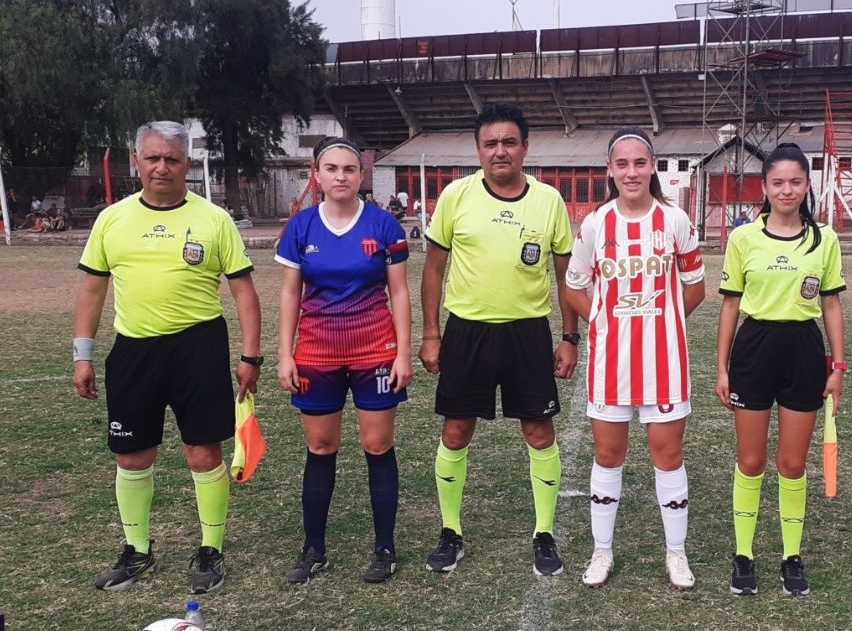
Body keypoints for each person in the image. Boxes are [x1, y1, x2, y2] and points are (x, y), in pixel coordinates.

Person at [73, 120, 263, 594]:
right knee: (132, 454)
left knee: (203, 452)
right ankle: (137, 552)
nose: (162, 167)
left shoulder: (214, 219)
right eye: (153, 158)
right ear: (136, 161)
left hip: (198, 347)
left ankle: (211, 550)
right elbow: (93, 289)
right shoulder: (112, 219)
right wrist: (82, 354)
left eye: (172, 159)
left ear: (186, 163)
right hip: (133, 350)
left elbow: (243, 291)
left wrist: (251, 356)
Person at [419, 103, 578, 576]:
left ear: (525, 147)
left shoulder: (549, 201)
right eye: (490, 143)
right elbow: (434, 269)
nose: (500, 151)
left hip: (527, 332)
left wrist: (570, 337)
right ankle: (450, 530)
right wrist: (431, 333)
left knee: (539, 431)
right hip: (467, 331)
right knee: (455, 430)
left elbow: (566, 276)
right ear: (478, 150)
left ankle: (544, 533)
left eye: (509, 142)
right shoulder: (456, 196)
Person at [564, 126, 705, 590]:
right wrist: (604, 321)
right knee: (608, 455)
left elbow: (695, 288)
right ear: (609, 169)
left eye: (639, 163)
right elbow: (574, 287)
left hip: (665, 363)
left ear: (652, 167)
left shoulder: (675, 221)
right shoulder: (594, 224)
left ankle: (676, 553)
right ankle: (602, 550)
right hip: (611, 363)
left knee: (669, 456)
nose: (631, 172)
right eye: (622, 163)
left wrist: (663, 321)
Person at [276, 137, 412, 585]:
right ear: (316, 174)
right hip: (317, 353)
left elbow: (399, 293)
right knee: (320, 448)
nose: (340, 176)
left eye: (349, 169)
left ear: (361, 175)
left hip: (375, 350)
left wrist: (403, 352)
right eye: (331, 168)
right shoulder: (301, 227)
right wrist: (285, 354)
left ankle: (385, 547)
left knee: (377, 446)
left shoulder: (384, 225)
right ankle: (313, 548)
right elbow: (290, 294)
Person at [715, 142, 846, 597]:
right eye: (778, 182)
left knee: (792, 464)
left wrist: (838, 366)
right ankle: (743, 555)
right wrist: (722, 368)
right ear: (765, 187)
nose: (786, 190)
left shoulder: (824, 239)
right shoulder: (743, 238)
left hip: (803, 351)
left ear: (807, 186)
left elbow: (831, 304)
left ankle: (791, 557)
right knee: (751, 461)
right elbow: (730, 305)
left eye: (795, 182)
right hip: (754, 349)